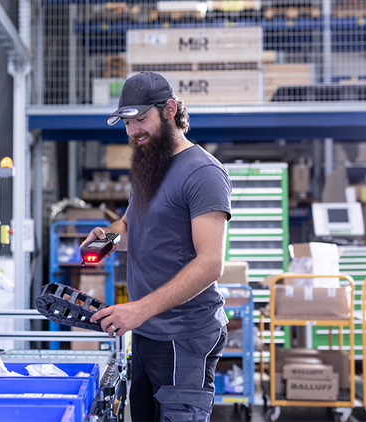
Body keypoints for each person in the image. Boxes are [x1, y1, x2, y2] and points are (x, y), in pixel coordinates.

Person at [82, 71, 232, 422]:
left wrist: (139, 310)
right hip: (150, 332)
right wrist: (110, 237)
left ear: (169, 110)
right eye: (126, 123)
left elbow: (211, 263)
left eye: (141, 119)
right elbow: (132, 227)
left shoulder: (203, 173)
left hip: (185, 336)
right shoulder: (151, 165)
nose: (133, 131)